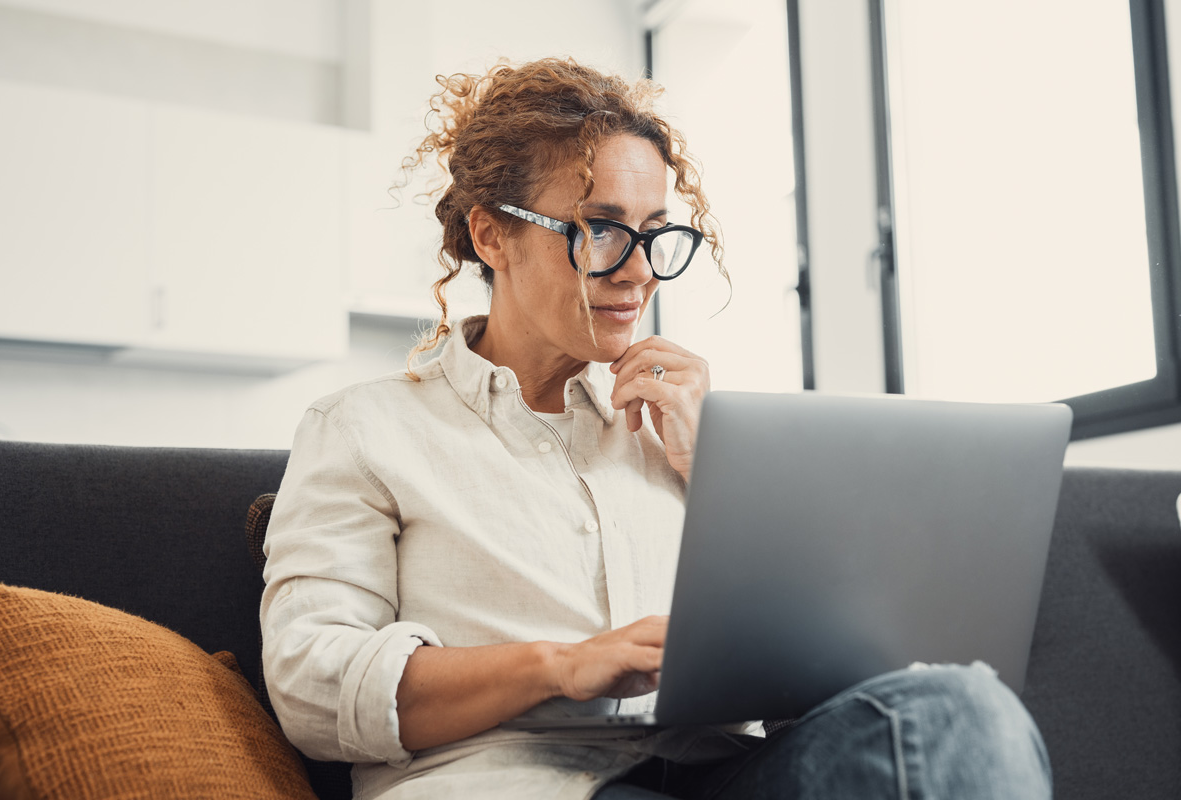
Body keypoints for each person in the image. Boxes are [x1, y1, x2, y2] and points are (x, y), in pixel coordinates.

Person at [260, 58, 1051, 800]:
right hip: (523, 780)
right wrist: (562, 667)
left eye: (652, 234)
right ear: (491, 235)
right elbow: (311, 685)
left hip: (724, 772)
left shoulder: (682, 429)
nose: (637, 270)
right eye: (599, 228)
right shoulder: (365, 428)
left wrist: (724, 481)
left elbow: (814, 682)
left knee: (962, 707)